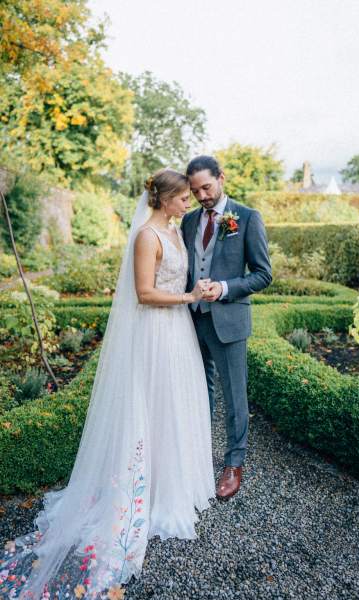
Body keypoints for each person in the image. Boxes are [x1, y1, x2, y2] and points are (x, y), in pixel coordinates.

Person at [0, 169, 215, 599]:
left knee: (174, 406)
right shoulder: (147, 237)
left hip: (178, 335)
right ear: (165, 199)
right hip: (156, 332)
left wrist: (198, 288)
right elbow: (144, 293)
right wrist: (190, 298)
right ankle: (143, 492)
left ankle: (171, 484)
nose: (189, 203)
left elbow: (172, 281)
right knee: (153, 406)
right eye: (183, 198)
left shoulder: (173, 232)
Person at [181, 155, 272, 501]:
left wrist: (224, 288)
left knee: (235, 395)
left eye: (206, 186)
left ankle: (234, 464)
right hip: (190, 319)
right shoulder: (188, 221)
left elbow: (263, 274)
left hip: (229, 321)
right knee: (197, 391)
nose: (202, 195)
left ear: (221, 178)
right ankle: (196, 456)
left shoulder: (247, 218)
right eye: (195, 190)